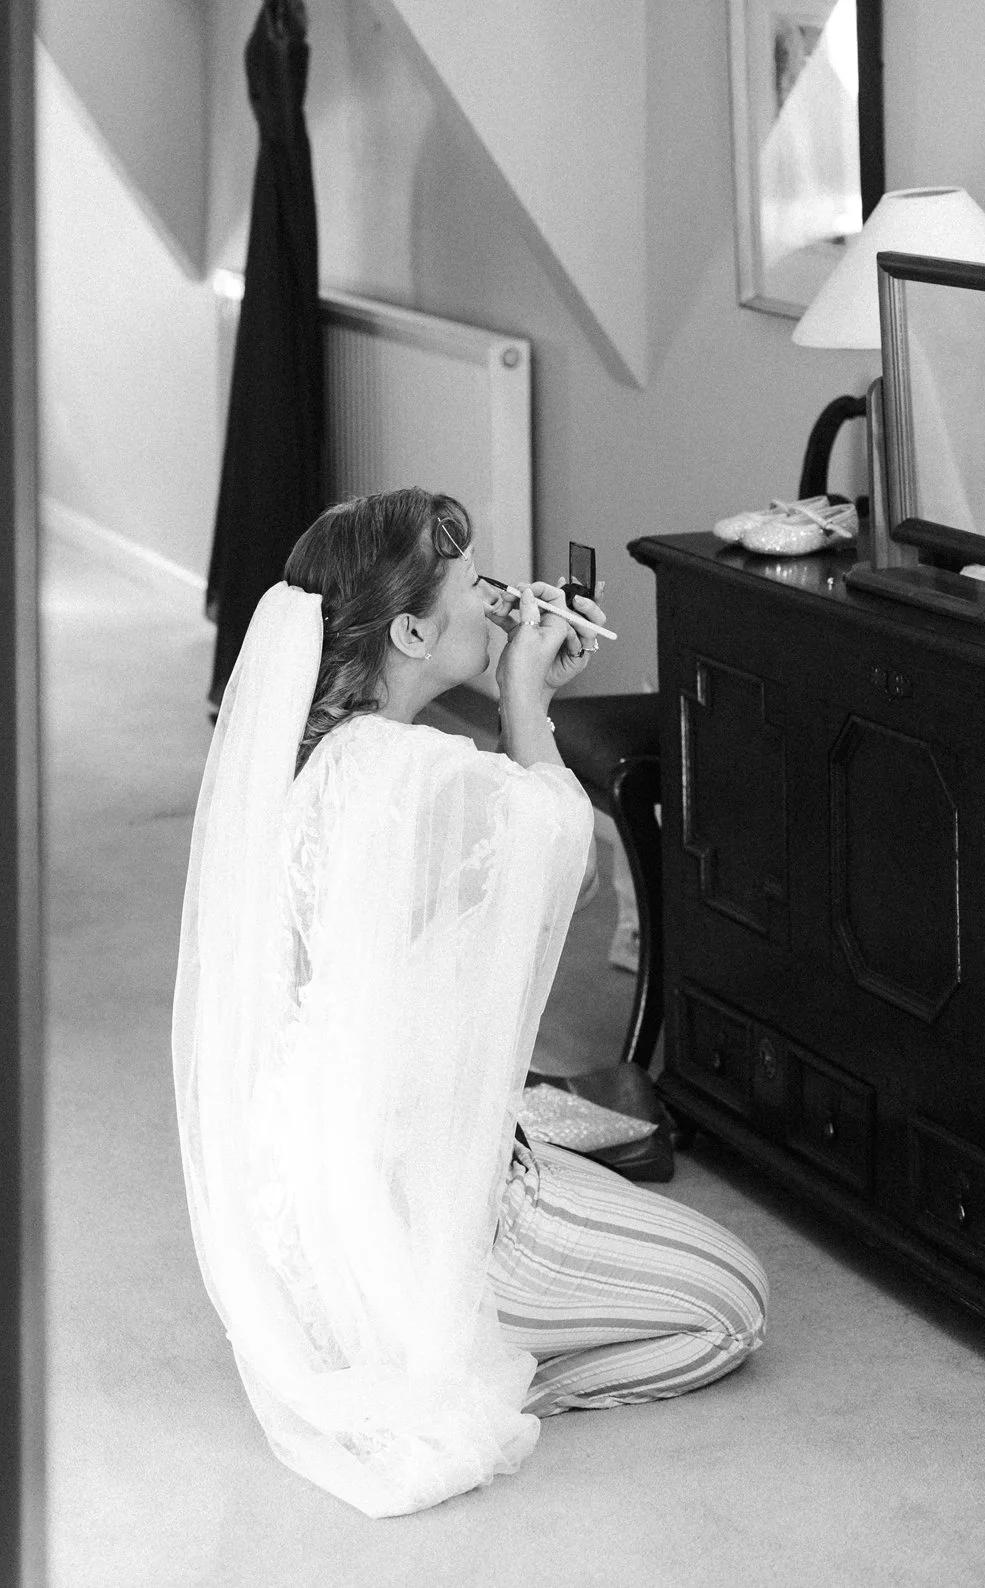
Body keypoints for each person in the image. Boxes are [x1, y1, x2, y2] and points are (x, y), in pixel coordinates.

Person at [172, 487, 767, 1519]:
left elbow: (490, 862)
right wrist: (524, 701)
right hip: (439, 1208)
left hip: (323, 1197)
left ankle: (467, 1325)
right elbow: (563, 863)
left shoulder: (316, 757)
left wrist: (511, 693)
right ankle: (485, 1374)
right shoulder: (415, 773)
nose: (496, 596)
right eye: (472, 582)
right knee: (733, 1304)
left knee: (618, 1191)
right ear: (409, 628)